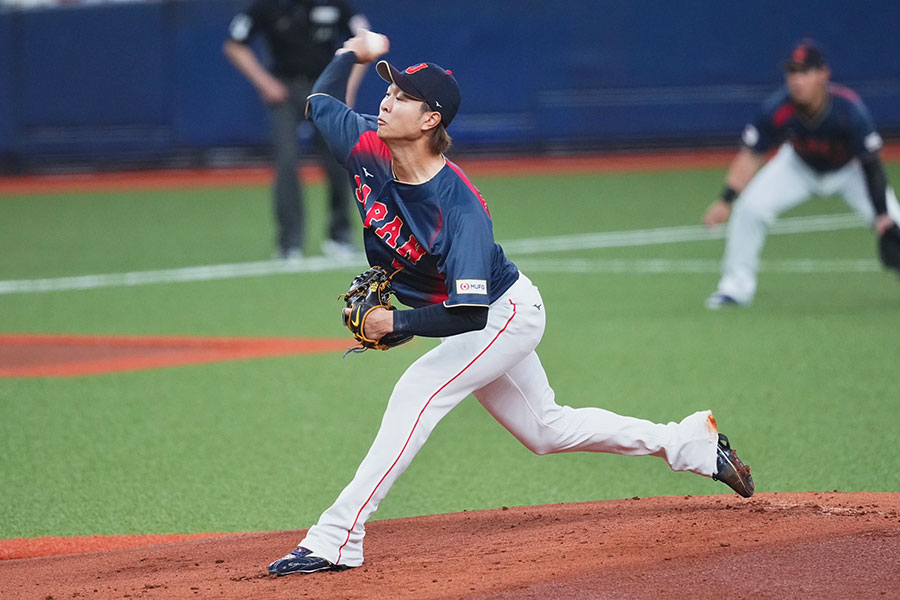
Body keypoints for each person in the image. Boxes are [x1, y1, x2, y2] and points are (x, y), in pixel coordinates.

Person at [267, 30, 755, 577]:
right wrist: (351, 53)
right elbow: (318, 104)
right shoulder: (364, 145)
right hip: (476, 317)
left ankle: (337, 538)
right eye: (388, 91)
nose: (386, 100)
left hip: (504, 314)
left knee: (417, 392)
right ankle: (688, 442)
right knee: (546, 430)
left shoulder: (460, 211)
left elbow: (472, 315)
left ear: (431, 119)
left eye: (402, 96)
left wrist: (396, 321)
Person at [703, 38, 900, 308]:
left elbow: (871, 164)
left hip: (849, 170)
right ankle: (735, 289)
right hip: (798, 167)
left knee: (895, 223)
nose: (796, 80)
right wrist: (726, 199)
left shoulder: (849, 111)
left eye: (805, 72)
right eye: (792, 72)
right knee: (749, 209)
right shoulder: (778, 108)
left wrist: (882, 216)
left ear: (823, 75)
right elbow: (751, 154)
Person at [223, 0, 369, 260]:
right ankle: (289, 243)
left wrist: (349, 86)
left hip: (325, 89)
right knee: (287, 161)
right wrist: (264, 82)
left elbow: (365, 40)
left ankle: (340, 236)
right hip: (284, 90)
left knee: (340, 161)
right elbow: (234, 45)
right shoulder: (268, 6)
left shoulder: (335, 4)